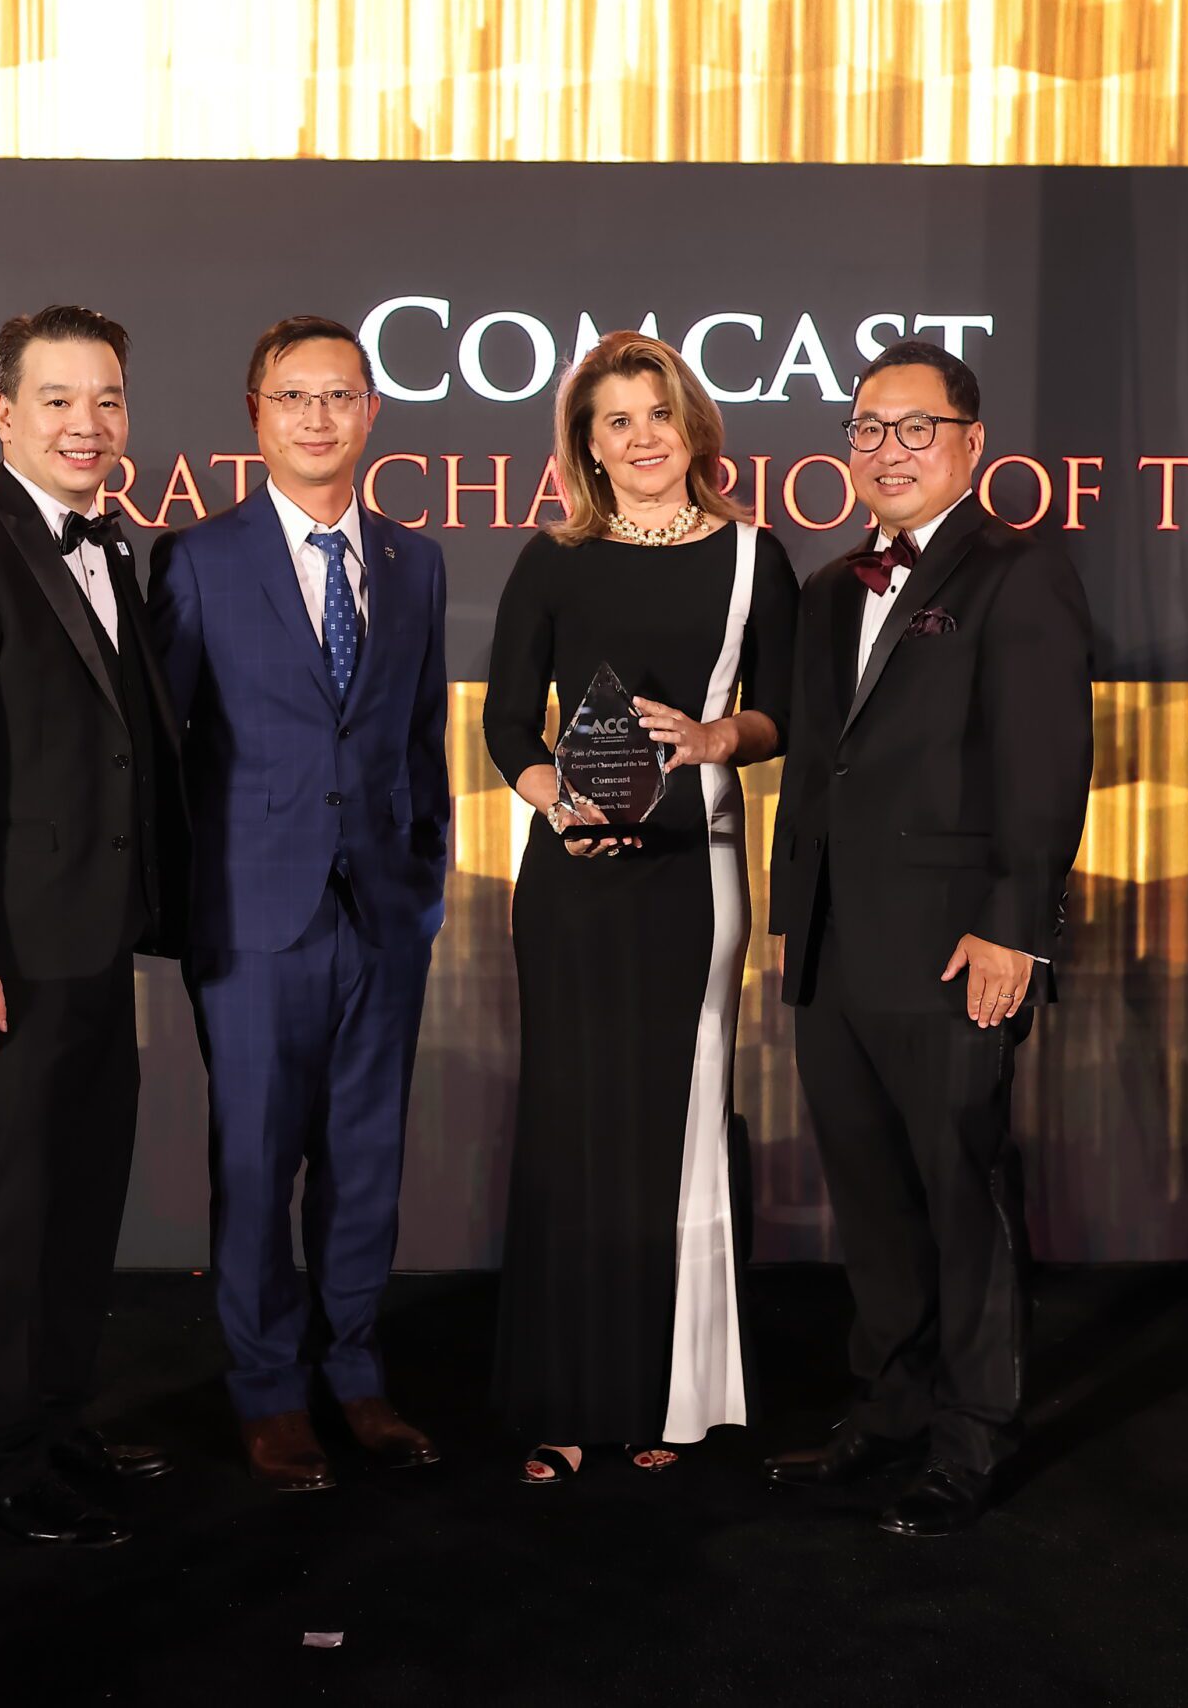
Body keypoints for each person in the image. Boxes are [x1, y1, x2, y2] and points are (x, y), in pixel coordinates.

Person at [763, 340, 1093, 1536]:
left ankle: (970, 1434)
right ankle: (890, 1406)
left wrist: (1013, 930)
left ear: (969, 444)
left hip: (957, 947)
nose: (885, 450)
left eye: (913, 428)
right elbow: (814, 770)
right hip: (836, 946)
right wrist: (791, 924)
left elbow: (1044, 769)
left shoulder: (1019, 574)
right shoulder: (823, 588)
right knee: (873, 1193)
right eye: (866, 428)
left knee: (960, 1190)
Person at [0, 305, 188, 1546]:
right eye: (59, 399)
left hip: (91, 941)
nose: (87, 422)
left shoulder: (114, 549)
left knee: (78, 1194)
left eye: (106, 399)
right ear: (5, 415)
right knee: (10, 1205)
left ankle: (58, 1421)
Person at [483, 331, 797, 1483]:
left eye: (657, 412)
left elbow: (788, 717)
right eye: (615, 420)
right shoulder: (552, 562)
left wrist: (721, 736)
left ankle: (673, 1394)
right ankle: (565, 1398)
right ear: (588, 447)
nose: (642, 436)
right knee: (572, 1128)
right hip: (571, 877)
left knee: (679, 1121)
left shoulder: (757, 555)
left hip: (694, 869)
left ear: (692, 425)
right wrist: (553, 801)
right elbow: (506, 724)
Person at [148, 316, 451, 1491]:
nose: (317, 417)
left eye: (340, 396)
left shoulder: (416, 561)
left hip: (383, 911)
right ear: (255, 415)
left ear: (372, 413)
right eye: (292, 398)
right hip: (250, 916)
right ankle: (268, 1390)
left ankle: (357, 1374)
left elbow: (418, 737)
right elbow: (168, 751)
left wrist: (422, 880)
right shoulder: (197, 559)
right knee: (258, 1158)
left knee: (366, 1158)